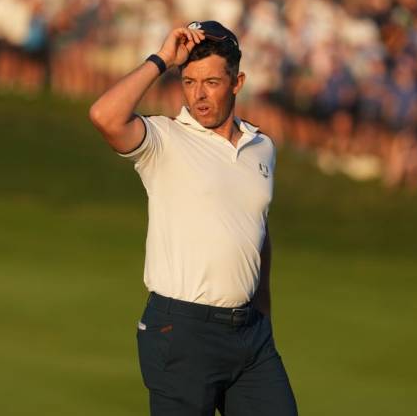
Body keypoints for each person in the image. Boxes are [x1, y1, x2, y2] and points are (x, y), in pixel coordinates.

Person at [88, 21, 298, 416]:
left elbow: (257, 228)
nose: (198, 96)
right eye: (188, 82)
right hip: (181, 331)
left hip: (250, 335)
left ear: (238, 83)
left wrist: (263, 309)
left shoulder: (261, 147)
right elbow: (104, 115)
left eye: (212, 83)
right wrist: (162, 59)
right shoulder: (165, 139)